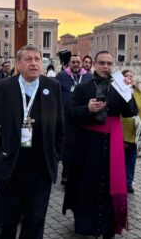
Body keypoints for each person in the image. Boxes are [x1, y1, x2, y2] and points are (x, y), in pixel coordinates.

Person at [0, 45, 64, 239]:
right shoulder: (2, 88)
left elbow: (60, 127)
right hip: (11, 167)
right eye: (28, 59)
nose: (34, 63)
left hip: (41, 168)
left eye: (37, 59)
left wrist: (55, 156)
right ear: (18, 64)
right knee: (8, 221)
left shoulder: (52, 87)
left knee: (36, 220)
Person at [63, 51, 137, 238]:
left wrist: (129, 91)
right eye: (102, 63)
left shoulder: (119, 86)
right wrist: (87, 109)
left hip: (113, 142)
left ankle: (108, 226)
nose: (106, 67)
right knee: (88, 183)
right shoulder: (83, 87)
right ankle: (86, 224)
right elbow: (71, 113)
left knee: (110, 184)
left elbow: (130, 112)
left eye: (109, 64)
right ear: (94, 64)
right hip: (88, 143)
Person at [55, 54, 92, 185]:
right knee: (67, 147)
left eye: (78, 62)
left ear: (81, 63)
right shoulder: (61, 76)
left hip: (84, 117)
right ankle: (66, 174)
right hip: (67, 118)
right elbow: (55, 95)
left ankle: (80, 173)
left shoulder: (88, 77)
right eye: (73, 62)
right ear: (69, 64)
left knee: (82, 146)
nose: (76, 64)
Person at [120, 69, 141, 194]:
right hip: (123, 131)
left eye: (131, 76)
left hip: (137, 132)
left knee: (132, 159)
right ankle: (120, 181)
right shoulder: (119, 93)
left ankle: (128, 182)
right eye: (127, 76)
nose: (129, 78)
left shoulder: (140, 93)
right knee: (121, 159)